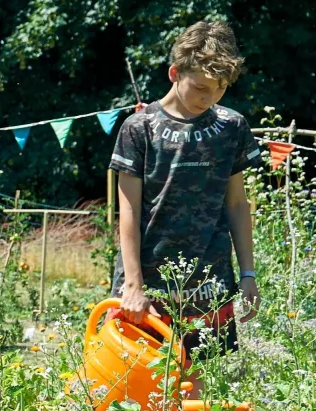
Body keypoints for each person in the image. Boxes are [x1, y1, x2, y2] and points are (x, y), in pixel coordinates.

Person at [111, 20, 261, 367]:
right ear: (175, 72)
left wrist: (248, 275)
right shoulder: (139, 128)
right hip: (147, 286)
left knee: (200, 393)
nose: (210, 98)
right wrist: (133, 285)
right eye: (201, 87)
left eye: (221, 88)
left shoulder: (231, 127)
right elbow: (129, 210)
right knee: (133, 388)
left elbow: (237, 204)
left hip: (210, 285)